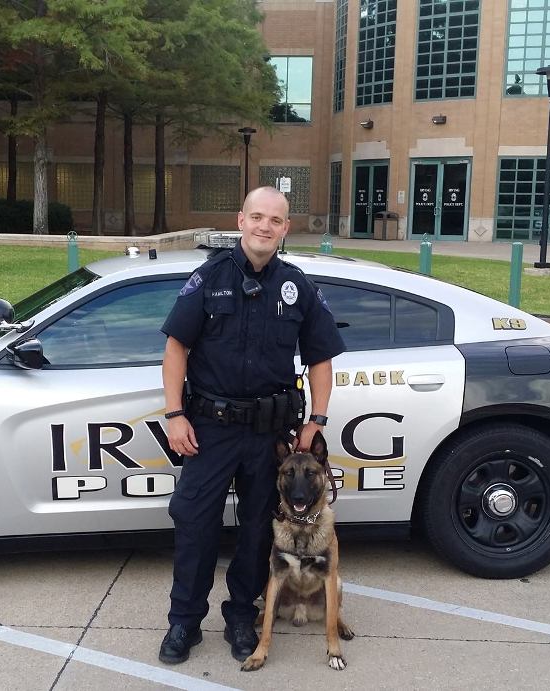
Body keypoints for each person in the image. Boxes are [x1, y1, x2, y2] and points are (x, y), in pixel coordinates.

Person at [157, 186, 345, 664]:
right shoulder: (210, 277)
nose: (265, 227)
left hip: (270, 434)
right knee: (195, 521)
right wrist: (175, 414)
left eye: (275, 220)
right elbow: (176, 347)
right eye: (257, 217)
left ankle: (242, 616)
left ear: (286, 229)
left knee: (259, 529)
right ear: (240, 221)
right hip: (210, 428)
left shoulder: (296, 285)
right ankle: (184, 624)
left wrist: (316, 421)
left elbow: (321, 357)